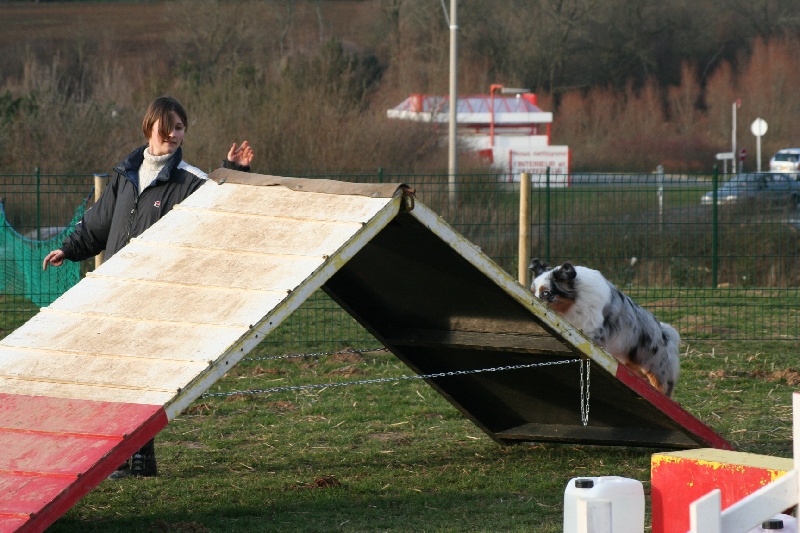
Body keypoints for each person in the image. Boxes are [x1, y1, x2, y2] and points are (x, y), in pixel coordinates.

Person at [43, 95, 255, 479]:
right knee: (116, 374)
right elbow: (97, 225)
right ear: (149, 127)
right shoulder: (125, 174)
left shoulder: (189, 180)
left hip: (160, 292)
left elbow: (218, 210)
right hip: (116, 290)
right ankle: (134, 457)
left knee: (142, 378)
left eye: (180, 127)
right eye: (167, 126)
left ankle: (134, 456)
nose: (174, 134)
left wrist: (231, 172)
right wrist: (68, 249)